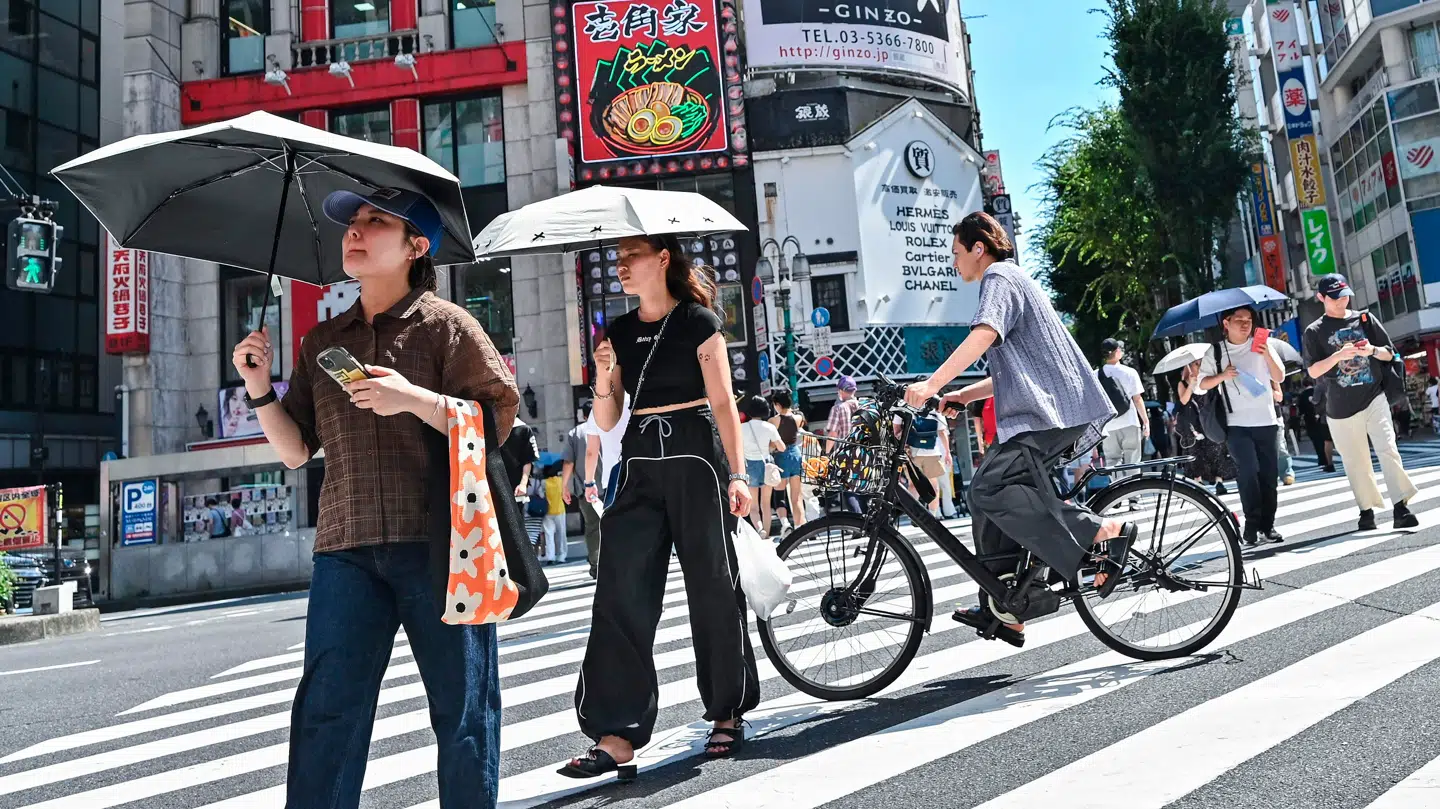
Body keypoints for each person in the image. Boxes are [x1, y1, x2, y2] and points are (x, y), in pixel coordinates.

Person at [231, 187, 518, 809]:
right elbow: (295, 450)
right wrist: (258, 388)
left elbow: (495, 420)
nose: (355, 232)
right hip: (345, 545)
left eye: (375, 222)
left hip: (441, 546)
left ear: (417, 246)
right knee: (327, 712)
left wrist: (414, 399)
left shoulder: (447, 328)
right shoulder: (321, 340)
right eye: (353, 223)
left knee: (464, 708)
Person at [561, 233, 759, 780]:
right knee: (620, 586)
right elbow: (605, 421)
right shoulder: (618, 332)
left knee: (713, 586)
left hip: (698, 456)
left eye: (631, 258)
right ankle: (616, 733)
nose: (620, 267)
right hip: (641, 458)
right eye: (617, 260)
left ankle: (726, 713)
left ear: (663, 260)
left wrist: (738, 475)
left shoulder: (700, 321)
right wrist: (603, 372)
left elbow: (722, 401)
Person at [904, 211, 1136, 649]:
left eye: (957, 253)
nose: (955, 263)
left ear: (979, 247)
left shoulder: (1000, 279)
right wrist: (959, 397)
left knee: (988, 489)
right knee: (985, 497)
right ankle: (1006, 605)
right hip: (1046, 409)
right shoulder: (1013, 281)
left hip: (1051, 413)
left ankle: (1099, 532)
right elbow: (1012, 373)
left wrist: (933, 383)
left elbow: (984, 334)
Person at [1302, 274, 1420, 531]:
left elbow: (1391, 353)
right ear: (1321, 298)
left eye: (1344, 294)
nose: (1342, 300)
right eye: (1335, 297)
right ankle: (1366, 511)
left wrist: (1372, 351)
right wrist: (1338, 355)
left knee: (1388, 448)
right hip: (1339, 407)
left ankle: (1401, 507)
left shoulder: (1364, 319)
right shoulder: (1314, 331)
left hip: (1374, 396)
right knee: (1356, 462)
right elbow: (1312, 371)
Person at [1197, 306, 1286, 545]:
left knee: (1269, 476)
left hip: (1267, 421)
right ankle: (1251, 524)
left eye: (1249, 320)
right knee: (1247, 473)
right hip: (1236, 424)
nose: (1245, 324)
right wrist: (1222, 376)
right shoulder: (1215, 351)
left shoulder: (1262, 344)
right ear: (1225, 323)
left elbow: (1280, 377)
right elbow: (1201, 384)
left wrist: (1267, 353)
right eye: (1239, 320)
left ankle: (1268, 526)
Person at [1174, 362, 1234, 495]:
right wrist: (1191, 384)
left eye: (1201, 363)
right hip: (1193, 423)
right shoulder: (1182, 383)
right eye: (1196, 364)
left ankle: (1219, 481)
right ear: (1189, 367)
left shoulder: (1209, 380)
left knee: (1217, 450)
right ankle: (1198, 481)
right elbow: (1183, 401)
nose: (1199, 366)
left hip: (1210, 420)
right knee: (1196, 453)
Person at [1097, 338, 1148, 491]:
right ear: (1117, 351)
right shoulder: (1130, 372)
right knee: (1133, 460)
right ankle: (1133, 498)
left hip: (1108, 425)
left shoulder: (1095, 375)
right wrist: (1146, 421)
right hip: (1130, 422)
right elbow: (1137, 399)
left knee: (1112, 461)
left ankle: (1115, 494)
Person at [562, 405, 603, 577]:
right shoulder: (607, 428)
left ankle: (596, 565)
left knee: (593, 527)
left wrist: (564, 486)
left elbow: (568, 463)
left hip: (586, 490)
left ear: (584, 415)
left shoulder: (575, 433)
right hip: (611, 486)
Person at [740, 395, 785, 536]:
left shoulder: (741, 428)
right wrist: (771, 447)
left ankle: (760, 529)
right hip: (767, 465)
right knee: (766, 504)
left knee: (753, 506)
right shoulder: (769, 427)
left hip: (750, 465)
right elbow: (782, 447)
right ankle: (767, 534)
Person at [769, 389, 807, 534]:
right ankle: (801, 527)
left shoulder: (773, 421)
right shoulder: (798, 418)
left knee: (779, 494)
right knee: (797, 496)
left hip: (781, 457)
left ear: (777, 404)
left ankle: (785, 524)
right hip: (796, 455)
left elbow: (773, 443)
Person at [825, 376, 864, 513]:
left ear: (841, 390)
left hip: (847, 453)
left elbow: (833, 434)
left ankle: (858, 522)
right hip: (866, 453)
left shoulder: (839, 408)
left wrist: (827, 453)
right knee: (864, 487)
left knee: (848, 488)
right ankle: (870, 521)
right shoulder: (864, 406)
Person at [1297, 380, 1335, 472]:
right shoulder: (1321, 388)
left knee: (1316, 440)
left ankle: (1322, 459)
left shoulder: (1302, 395)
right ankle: (1328, 460)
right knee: (1325, 439)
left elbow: (1301, 409)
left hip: (1309, 420)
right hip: (1323, 416)